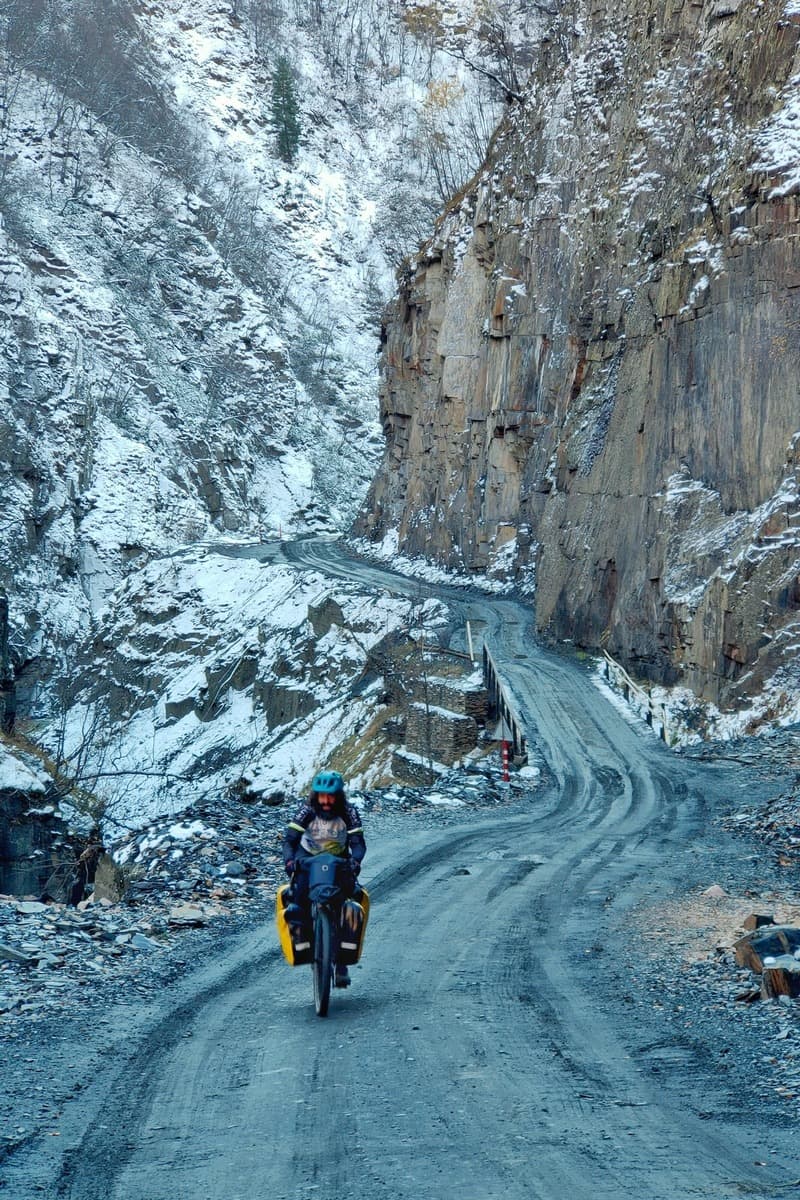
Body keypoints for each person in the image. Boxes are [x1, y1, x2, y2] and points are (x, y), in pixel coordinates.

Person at [282, 770, 365, 987]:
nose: (326, 801)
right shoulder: (306, 811)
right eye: (321, 796)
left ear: (339, 796)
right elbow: (289, 840)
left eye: (331, 796)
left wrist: (355, 861)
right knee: (297, 901)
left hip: (338, 863)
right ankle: (306, 945)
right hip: (307, 861)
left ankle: (342, 964)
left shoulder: (349, 812)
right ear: (315, 796)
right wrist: (290, 861)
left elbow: (358, 843)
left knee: (347, 903)